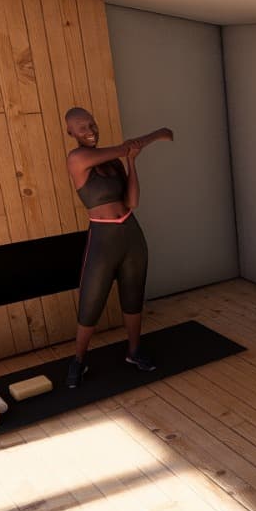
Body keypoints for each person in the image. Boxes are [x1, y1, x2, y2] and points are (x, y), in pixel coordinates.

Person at [62, 107, 172, 386]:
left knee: (133, 296)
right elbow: (123, 148)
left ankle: (134, 351)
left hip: (131, 234)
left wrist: (133, 162)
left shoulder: (115, 162)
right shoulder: (77, 158)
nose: (90, 131)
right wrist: (157, 135)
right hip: (103, 238)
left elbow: (132, 201)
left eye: (92, 124)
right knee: (91, 301)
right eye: (82, 127)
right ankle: (78, 360)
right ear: (70, 132)